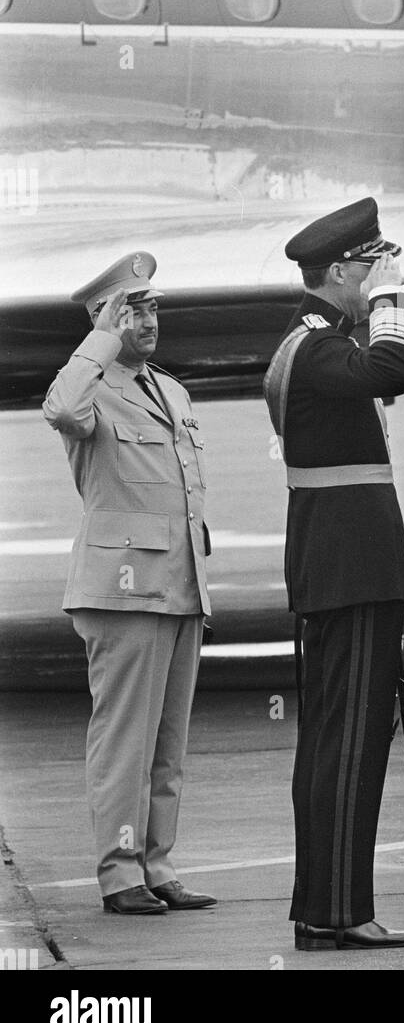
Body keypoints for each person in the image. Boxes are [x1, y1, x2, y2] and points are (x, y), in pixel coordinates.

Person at [264, 197, 404, 952]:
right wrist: (391, 298)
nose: (379, 276)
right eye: (369, 264)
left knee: (333, 744)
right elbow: (395, 365)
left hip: (342, 566)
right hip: (353, 572)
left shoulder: (310, 345)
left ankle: (324, 908)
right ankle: (335, 912)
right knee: (351, 744)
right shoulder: (321, 350)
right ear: (337, 271)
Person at [43, 253, 216, 915]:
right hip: (123, 589)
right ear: (105, 319)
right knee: (126, 741)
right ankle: (120, 874)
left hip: (178, 585)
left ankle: (157, 864)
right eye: (132, 309)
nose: (148, 320)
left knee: (167, 745)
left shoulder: (170, 390)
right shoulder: (87, 386)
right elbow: (62, 409)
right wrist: (101, 341)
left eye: (151, 308)